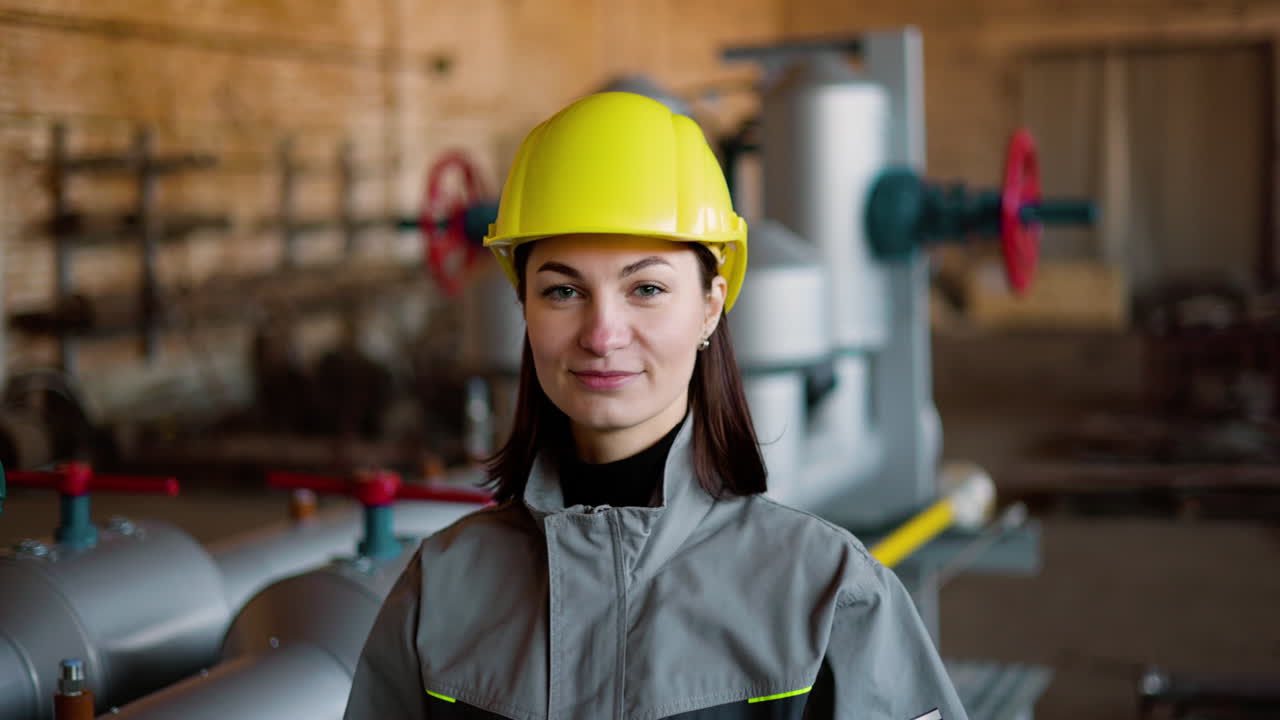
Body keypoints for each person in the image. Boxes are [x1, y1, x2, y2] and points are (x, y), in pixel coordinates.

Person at [344, 91, 968, 720]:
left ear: (710, 304)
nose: (602, 333)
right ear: (525, 311)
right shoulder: (441, 591)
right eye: (563, 290)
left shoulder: (830, 596)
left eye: (645, 288)